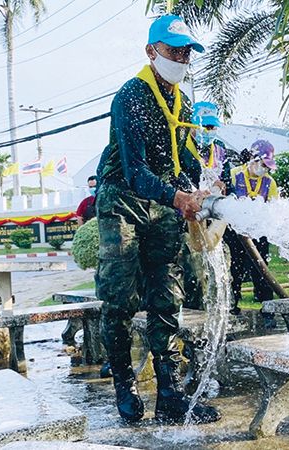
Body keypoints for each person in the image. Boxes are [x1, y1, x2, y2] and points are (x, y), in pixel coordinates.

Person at [95, 14, 220, 424]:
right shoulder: (131, 96)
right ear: (152, 52)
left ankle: (170, 394)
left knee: (168, 297)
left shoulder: (183, 102)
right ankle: (125, 387)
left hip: (162, 205)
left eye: (186, 52)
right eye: (173, 50)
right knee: (120, 298)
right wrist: (177, 195)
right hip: (122, 202)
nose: (181, 58)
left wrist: (199, 190)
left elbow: (180, 162)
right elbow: (135, 171)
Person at [178, 101, 234, 310]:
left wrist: (222, 185)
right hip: (185, 220)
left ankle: (219, 312)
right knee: (194, 274)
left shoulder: (220, 150)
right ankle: (195, 315)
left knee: (219, 275)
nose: (208, 131)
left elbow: (227, 181)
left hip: (212, 218)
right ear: (191, 125)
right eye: (204, 126)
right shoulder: (181, 149)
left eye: (212, 127)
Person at [225, 140, 279, 323]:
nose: (265, 169)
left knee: (262, 271)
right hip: (235, 233)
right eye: (263, 164)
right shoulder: (233, 175)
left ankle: (268, 311)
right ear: (253, 159)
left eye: (267, 166)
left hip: (258, 233)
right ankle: (232, 306)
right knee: (234, 270)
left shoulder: (270, 183)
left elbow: (273, 209)